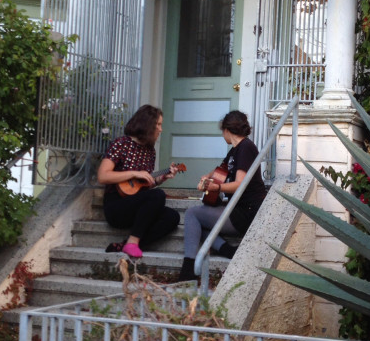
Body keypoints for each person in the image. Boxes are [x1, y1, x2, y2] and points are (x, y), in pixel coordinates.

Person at [178, 110, 266, 281]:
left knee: (192, 214)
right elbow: (220, 170)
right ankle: (227, 250)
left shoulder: (246, 148)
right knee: (199, 221)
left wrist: (217, 187)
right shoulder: (235, 150)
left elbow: (240, 184)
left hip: (248, 212)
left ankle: (189, 269)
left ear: (226, 130)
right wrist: (206, 178)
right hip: (237, 209)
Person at [97, 104, 180, 259]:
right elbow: (103, 176)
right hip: (116, 206)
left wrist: (161, 178)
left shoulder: (150, 151)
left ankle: (125, 244)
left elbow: (143, 184)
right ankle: (133, 242)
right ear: (147, 124)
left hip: (137, 206)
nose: (161, 129)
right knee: (158, 195)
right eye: (158, 125)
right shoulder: (121, 144)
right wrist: (133, 173)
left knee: (172, 217)